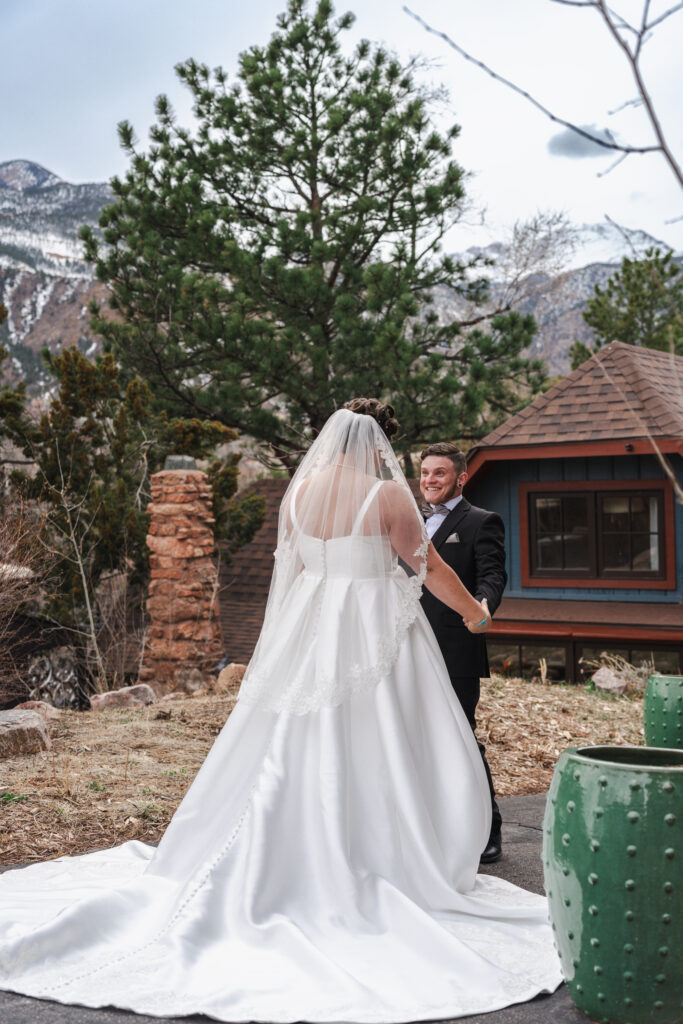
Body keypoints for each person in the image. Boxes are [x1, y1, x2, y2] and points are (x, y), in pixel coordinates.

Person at [0, 400, 562, 1022]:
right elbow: (426, 569)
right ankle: (378, 852)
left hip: (310, 624)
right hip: (371, 625)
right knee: (384, 738)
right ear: (381, 445)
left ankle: (287, 838)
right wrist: (475, 612)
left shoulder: (299, 494)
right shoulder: (388, 497)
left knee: (293, 736)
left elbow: (289, 574)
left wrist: (283, 642)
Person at [419, 442, 507, 864]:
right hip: (409, 648)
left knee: (460, 737)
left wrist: (484, 606)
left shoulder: (481, 521)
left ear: (460, 478)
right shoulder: (408, 519)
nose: (429, 481)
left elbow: (492, 574)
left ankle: (490, 829)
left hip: (456, 647)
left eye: (439, 473)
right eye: (424, 473)